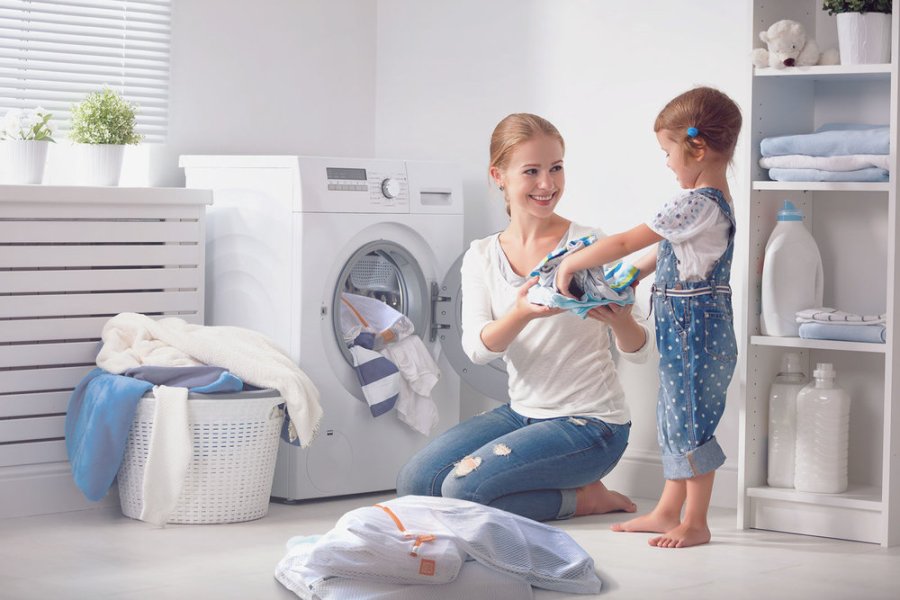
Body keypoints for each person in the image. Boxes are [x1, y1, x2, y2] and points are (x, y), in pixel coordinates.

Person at [395, 112, 653, 522]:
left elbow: (639, 352)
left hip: (592, 426)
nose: (547, 184)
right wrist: (520, 313)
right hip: (522, 413)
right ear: (498, 175)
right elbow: (477, 349)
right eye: (531, 171)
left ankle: (584, 498)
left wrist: (619, 320)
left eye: (556, 168)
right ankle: (565, 491)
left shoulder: (587, 244)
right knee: (416, 484)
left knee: (463, 488)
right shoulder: (482, 255)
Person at [554, 86, 742, 548]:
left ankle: (695, 522)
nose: (667, 163)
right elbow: (666, 252)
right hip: (690, 325)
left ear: (695, 147)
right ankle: (666, 511)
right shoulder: (711, 202)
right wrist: (633, 274)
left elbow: (624, 241)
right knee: (675, 417)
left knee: (690, 422)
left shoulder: (694, 203)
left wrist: (571, 263)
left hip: (695, 328)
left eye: (667, 151)